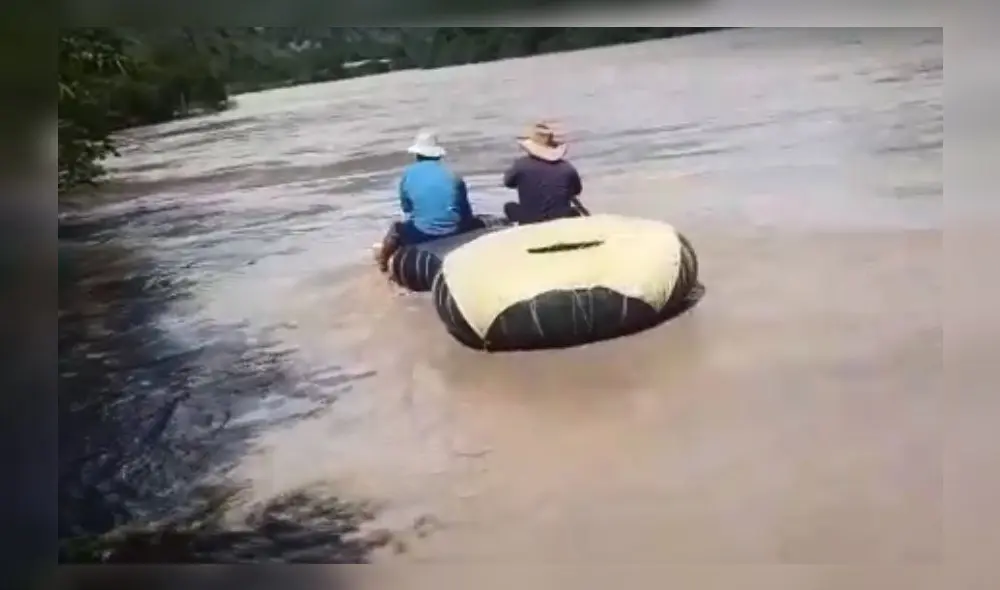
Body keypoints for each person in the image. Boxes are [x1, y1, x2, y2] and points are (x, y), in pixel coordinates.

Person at [376, 130, 481, 273]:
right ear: (438, 154)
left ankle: (383, 265)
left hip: (422, 233)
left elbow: (407, 209)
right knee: (478, 222)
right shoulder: (452, 175)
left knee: (396, 229)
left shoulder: (408, 175)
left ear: (417, 154)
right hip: (454, 232)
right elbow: (466, 212)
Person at [502, 122, 590, 224]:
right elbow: (576, 191)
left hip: (530, 219)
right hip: (561, 218)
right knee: (574, 212)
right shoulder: (567, 168)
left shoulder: (521, 165)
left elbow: (508, 182)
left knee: (509, 207)